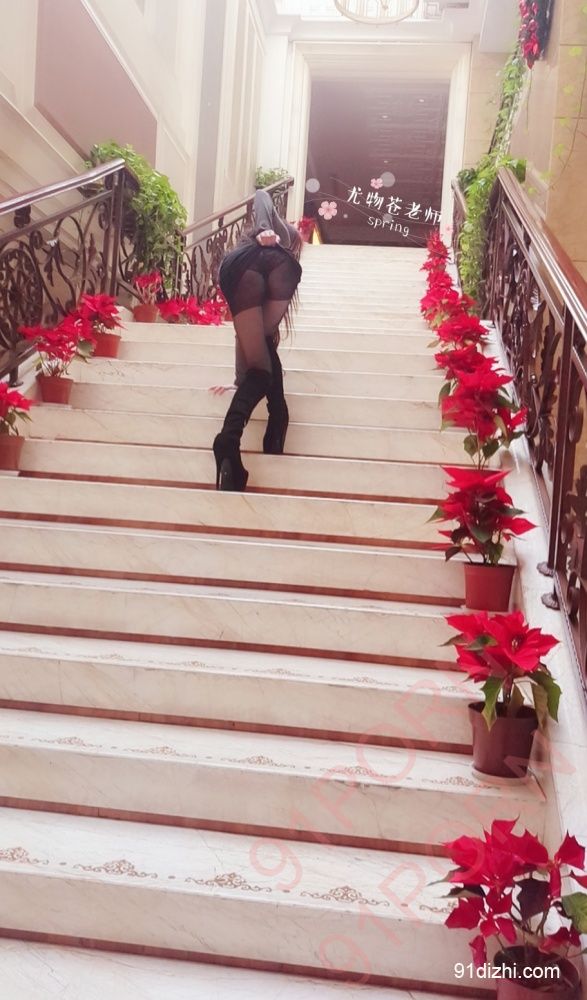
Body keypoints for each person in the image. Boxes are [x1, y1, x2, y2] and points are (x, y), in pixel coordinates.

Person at [212, 189, 302, 492]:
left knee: (261, 353)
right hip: (262, 267)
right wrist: (265, 228)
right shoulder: (281, 237)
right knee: (262, 366)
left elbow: (248, 339)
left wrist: (240, 380)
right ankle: (276, 418)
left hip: (234, 272)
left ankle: (235, 439)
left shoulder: (246, 259)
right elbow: (262, 195)